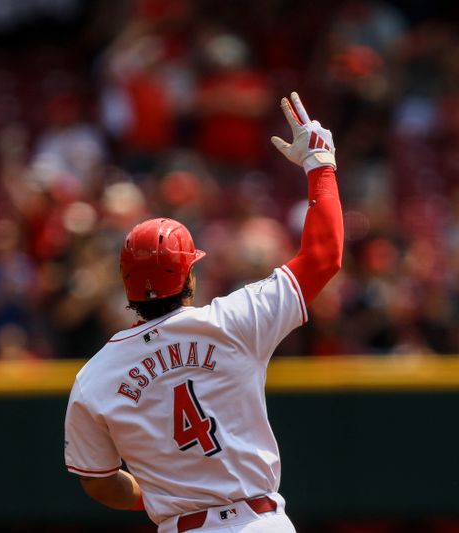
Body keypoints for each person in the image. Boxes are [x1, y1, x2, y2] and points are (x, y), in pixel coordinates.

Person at [63, 92, 342, 533]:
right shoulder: (234, 321)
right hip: (260, 523)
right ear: (189, 275)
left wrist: (164, 492)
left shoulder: (95, 377)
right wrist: (320, 166)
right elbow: (324, 257)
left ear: (127, 284)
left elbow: (99, 484)